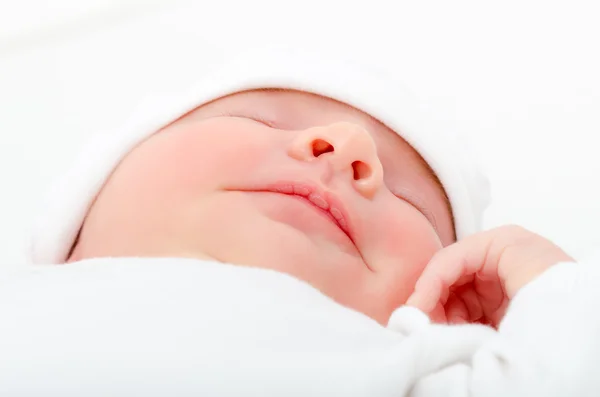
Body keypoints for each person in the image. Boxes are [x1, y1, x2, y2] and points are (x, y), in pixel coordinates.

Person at [3, 49, 598, 395]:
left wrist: (547, 288)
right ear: (77, 213)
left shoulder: (411, 372)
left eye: (410, 199)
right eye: (260, 118)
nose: (345, 145)